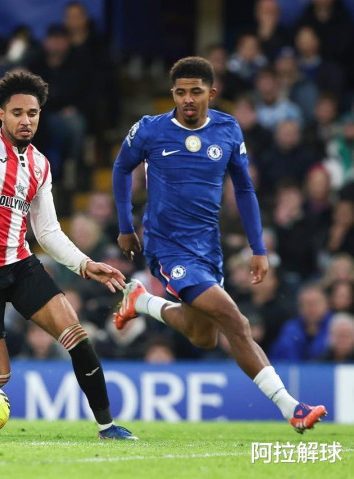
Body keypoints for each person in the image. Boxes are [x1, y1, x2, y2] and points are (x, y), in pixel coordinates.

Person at [0, 71, 137, 440]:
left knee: (77, 336)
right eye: (17, 112)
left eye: (32, 113)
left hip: (19, 265)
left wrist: (84, 264)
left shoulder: (39, 165)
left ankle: (107, 427)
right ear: (2, 114)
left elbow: (47, 231)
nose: (25, 120)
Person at [111, 56, 327, 434]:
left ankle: (141, 301)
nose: (187, 99)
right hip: (167, 245)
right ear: (172, 94)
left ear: (211, 93)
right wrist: (126, 226)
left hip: (207, 248)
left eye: (195, 92)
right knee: (235, 320)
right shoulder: (150, 130)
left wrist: (258, 247)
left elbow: (243, 189)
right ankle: (291, 407)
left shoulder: (227, 128)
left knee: (203, 336)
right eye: (180, 92)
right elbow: (120, 168)